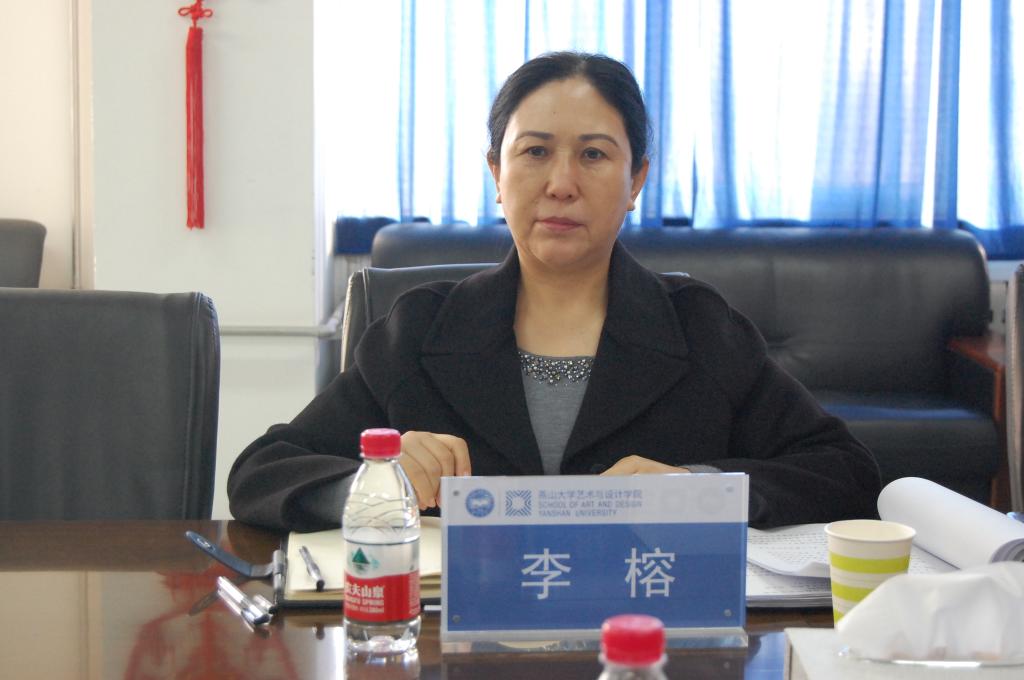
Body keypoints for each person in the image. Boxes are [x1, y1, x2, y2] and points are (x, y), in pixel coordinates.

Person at [228, 51, 881, 532]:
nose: (561, 184)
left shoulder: (700, 328)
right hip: (453, 642)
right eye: (535, 152)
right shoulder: (420, 329)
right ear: (497, 172)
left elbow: (844, 471)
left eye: (593, 155)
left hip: (648, 635)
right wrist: (378, 480)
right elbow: (261, 472)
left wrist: (700, 490)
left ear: (635, 181)